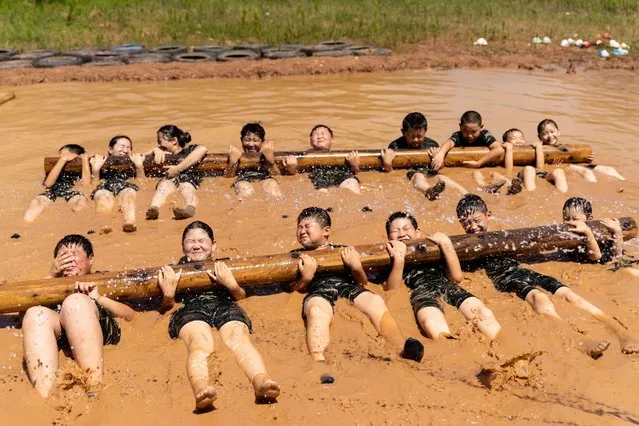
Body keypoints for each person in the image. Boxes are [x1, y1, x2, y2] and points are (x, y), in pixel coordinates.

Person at [456, 194, 637, 357]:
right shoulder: (463, 247)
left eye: (477, 220)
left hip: (523, 271)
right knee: (539, 297)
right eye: (467, 223)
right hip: (504, 279)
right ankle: (579, 340)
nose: (473, 226)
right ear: (460, 224)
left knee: (569, 294)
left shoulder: (505, 234)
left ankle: (622, 334)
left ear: (489, 215)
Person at [157, 221, 280, 411]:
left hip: (224, 304)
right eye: (190, 241)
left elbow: (241, 297)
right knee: (199, 342)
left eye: (201, 240)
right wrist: (168, 295)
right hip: (191, 309)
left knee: (238, 338)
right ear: (183, 246)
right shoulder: (171, 271)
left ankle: (260, 380)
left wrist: (231, 285)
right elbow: (166, 308)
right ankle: (201, 388)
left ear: (213, 245)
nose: (196, 245)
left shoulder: (226, 265)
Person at [289, 207, 424, 363]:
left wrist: (356, 267)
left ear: (325, 231)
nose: (302, 231)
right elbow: (292, 288)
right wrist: (306, 277)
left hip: (348, 287)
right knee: (316, 311)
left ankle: (400, 347)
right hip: (318, 290)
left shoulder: (344, 249)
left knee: (376, 302)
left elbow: (362, 282)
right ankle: (318, 358)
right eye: (299, 227)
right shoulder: (295, 256)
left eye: (307, 226)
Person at [21, 235, 135, 398]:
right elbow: (22, 315)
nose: (69, 260)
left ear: (91, 259)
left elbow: (131, 316)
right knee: (35, 314)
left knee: (75, 303)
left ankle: (94, 387)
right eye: (63, 257)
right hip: (63, 332)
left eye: (74, 254)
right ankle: (46, 396)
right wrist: (51, 275)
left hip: (100, 329)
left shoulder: (104, 279)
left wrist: (98, 298)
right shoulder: (49, 284)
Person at [370, 212, 501, 340]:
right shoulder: (387, 258)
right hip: (421, 292)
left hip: (446, 285)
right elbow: (392, 289)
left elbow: (456, 278)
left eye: (406, 228)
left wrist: (446, 244)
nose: (402, 234)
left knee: (483, 313)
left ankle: (500, 345)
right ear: (388, 237)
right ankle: (451, 354)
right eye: (395, 231)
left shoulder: (433, 248)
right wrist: (399, 259)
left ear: (417, 232)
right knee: (431, 322)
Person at [380, 112, 473, 200]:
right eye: (412, 136)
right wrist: (387, 164)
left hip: (429, 172)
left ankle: (468, 195)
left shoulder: (432, 144)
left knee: (443, 178)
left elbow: (440, 167)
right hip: (411, 173)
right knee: (419, 176)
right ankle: (429, 191)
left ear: (425, 131)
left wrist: (438, 159)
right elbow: (392, 175)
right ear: (403, 132)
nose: (416, 140)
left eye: (419, 136)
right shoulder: (395, 146)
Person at [146, 125, 207, 220]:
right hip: (169, 179)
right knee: (163, 187)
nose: (158, 145)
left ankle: (190, 209)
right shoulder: (162, 153)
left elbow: (203, 149)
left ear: (174, 140)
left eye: (160, 141)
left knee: (186, 188)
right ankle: (154, 208)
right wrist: (154, 150)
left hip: (188, 179)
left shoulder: (189, 151)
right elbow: (143, 156)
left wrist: (177, 169)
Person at [537, 119, 625, 182]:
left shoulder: (563, 147)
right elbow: (539, 169)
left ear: (558, 132)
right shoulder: (538, 150)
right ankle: (595, 192)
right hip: (564, 167)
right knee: (587, 172)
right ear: (539, 137)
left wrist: (587, 159)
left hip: (572, 164)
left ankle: (623, 183)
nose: (550, 136)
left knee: (609, 169)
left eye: (552, 132)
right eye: (545, 134)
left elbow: (576, 157)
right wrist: (553, 166)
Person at [90, 135, 145, 232]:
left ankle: (130, 221)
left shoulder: (133, 162)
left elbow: (142, 183)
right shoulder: (101, 161)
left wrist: (139, 166)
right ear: (110, 150)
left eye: (128, 148)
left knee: (129, 192)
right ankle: (104, 224)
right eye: (122, 146)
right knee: (102, 195)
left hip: (126, 186)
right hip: (105, 186)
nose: (125, 150)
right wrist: (95, 171)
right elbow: (93, 185)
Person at [284, 124, 361, 194]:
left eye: (323, 133)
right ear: (311, 141)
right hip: (318, 176)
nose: (320, 136)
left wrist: (355, 166)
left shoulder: (340, 156)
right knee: (322, 191)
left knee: (352, 182)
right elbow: (296, 175)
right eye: (316, 134)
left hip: (339, 173)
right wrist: (291, 169)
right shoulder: (305, 156)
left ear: (332, 140)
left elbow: (354, 171)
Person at [24, 144, 90, 223]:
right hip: (53, 191)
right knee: (37, 201)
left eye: (61, 154)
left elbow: (86, 185)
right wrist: (63, 159)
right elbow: (48, 185)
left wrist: (85, 160)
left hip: (72, 191)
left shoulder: (83, 166)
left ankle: (80, 223)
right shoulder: (56, 166)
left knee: (81, 201)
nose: (58, 157)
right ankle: (27, 223)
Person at [430, 111, 504, 170]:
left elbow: (499, 149)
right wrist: (441, 154)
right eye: (466, 131)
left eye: (474, 132)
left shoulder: (485, 135)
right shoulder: (458, 135)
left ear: (481, 127)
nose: (470, 136)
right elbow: (449, 143)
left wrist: (479, 163)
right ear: (460, 127)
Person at [226, 122, 283, 198]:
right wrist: (232, 162)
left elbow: (278, 177)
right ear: (241, 140)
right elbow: (228, 179)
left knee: (272, 184)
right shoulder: (236, 156)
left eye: (255, 140)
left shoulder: (267, 155)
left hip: (265, 178)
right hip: (243, 179)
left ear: (262, 141)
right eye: (247, 140)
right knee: (243, 186)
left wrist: (270, 160)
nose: (251, 144)